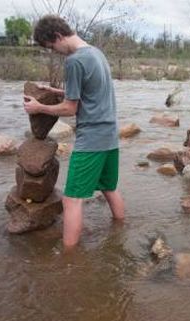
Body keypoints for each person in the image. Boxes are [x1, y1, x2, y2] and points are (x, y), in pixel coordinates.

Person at [23, 15, 124, 248]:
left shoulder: (75, 61)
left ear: (58, 36)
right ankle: (121, 233)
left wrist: (39, 107)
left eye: (52, 47)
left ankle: (69, 260)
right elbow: (90, 93)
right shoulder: (96, 53)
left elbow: (70, 108)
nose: (55, 51)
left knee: (71, 200)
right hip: (110, 135)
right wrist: (55, 90)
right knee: (109, 188)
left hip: (92, 139)